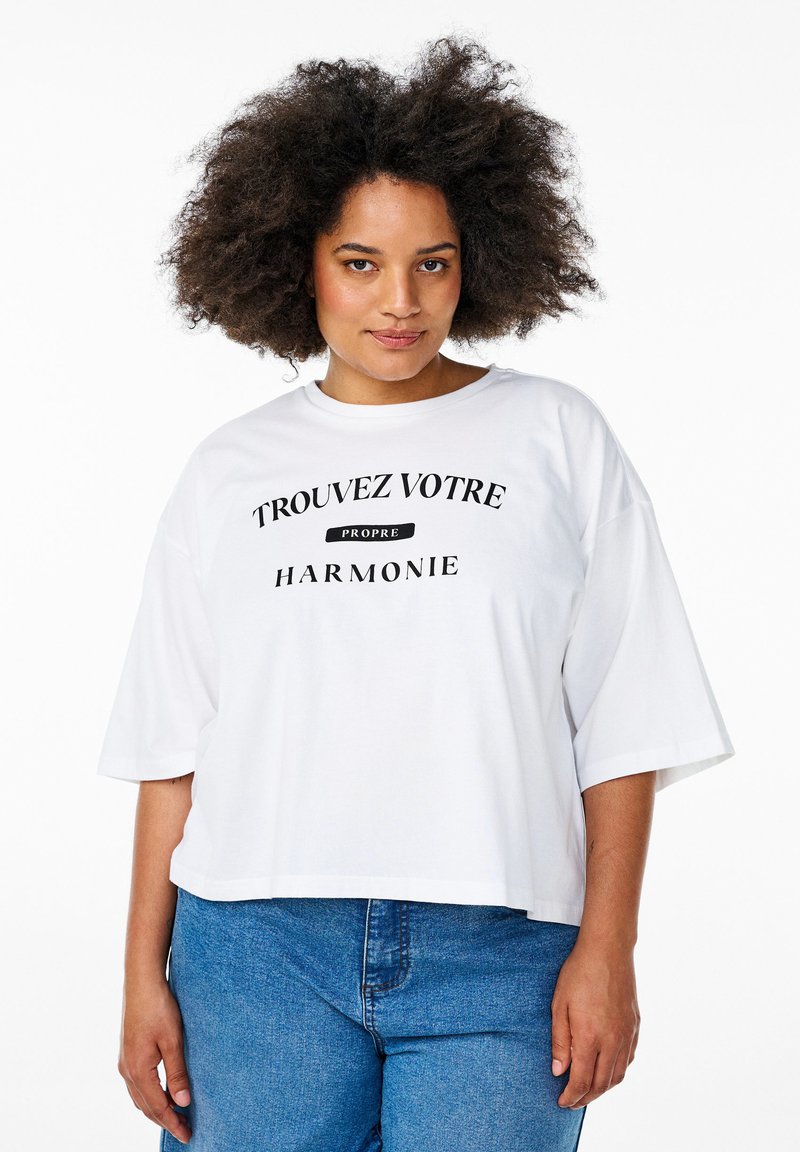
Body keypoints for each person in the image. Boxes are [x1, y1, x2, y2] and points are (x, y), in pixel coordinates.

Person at [96, 35, 735, 1152]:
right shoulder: (229, 470)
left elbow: (625, 723)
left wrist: (609, 947)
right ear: (296, 261)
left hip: (501, 950)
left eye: (432, 264)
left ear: (474, 258)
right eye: (360, 263)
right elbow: (172, 747)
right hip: (253, 950)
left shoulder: (555, 437)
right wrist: (141, 975)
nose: (399, 301)